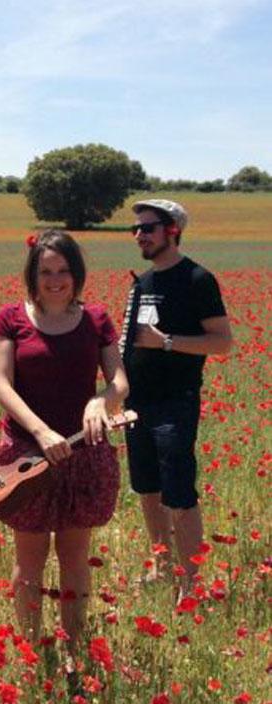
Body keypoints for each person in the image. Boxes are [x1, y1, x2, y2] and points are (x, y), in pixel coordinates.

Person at [0, 229, 128, 655]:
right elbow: (2, 385)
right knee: (28, 558)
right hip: (28, 456)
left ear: (76, 273)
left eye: (63, 270)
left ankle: (74, 649)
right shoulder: (10, 318)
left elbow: (120, 382)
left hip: (84, 453)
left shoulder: (97, 320)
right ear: (33, 273)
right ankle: (32, 652)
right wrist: (40, 431)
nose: (54, 279)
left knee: (75, 556)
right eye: (46, 271)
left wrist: (100, 401)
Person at [122, 199, 232, 597]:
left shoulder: (197, 279)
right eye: (135, 229)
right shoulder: (142, 283)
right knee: (147, 488)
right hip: (137, 403)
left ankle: (192, 580)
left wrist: (166, 342)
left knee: (178, 490)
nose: (139, 236)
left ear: (172, 231)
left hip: (175, 402)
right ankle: (163, 566)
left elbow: (222, 342)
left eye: (147, 228)